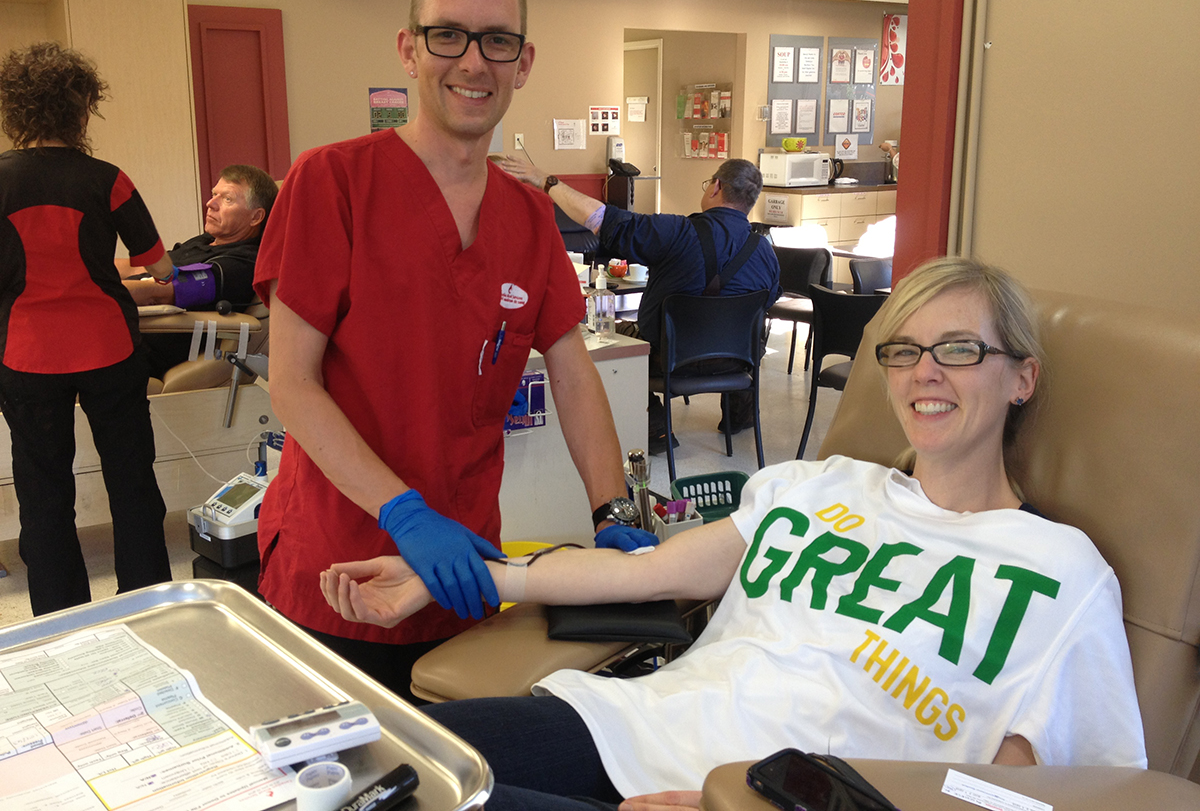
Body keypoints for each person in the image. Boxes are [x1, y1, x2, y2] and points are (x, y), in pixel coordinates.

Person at [322, 256, 1147, 810]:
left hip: (769, 797)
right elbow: (649, 574)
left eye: (960, 350)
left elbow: (1030, 795)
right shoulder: (821, 486)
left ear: (1023, 377)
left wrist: (749, 803)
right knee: (348, 767)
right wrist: (467, 576)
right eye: (903, 351)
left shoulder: (1061, 573)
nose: (925, 373)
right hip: (634, 726)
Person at [253, 0, 648, 703]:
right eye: (448, 36)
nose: (474, 61)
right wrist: (403, 512)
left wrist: (614, 515)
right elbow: (293, 385)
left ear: (523, 61)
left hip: (465, 567)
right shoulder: (331, 182)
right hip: (341, 566)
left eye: (497, 40)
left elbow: (572, 371)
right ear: (409, 48)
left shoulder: (530, 218)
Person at [0, 42, 175, 616]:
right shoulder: (109, 179)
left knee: (43, 492)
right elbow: (161, 267)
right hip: (110, 349)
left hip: (26, 357)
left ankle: (59, 615)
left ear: (17, 111)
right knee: (131, 481)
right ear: (83, 109)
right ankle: (147, 601)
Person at [496, 155, 781, 452]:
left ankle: (656, 430)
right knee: (747, 329)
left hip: (669, 359)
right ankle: (740, 415)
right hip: (737, 362)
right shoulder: (766, 253)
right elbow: (766, 303)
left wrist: (547, 181)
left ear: (715, 187)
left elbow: (602, 219)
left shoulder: (678, 234)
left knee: (608, 345)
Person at [120, 165, 278, 378]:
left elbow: (158, 290)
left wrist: (89, 292)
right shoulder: (206, 241)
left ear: (255, 217)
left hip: (145, 350)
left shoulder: (241, 262)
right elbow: (137, 268)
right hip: (125, 331)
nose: (210, 204)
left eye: (227, 199)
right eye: (214, 194)